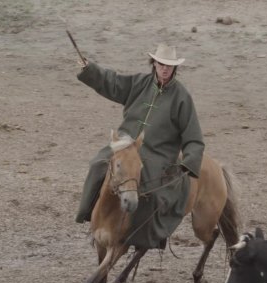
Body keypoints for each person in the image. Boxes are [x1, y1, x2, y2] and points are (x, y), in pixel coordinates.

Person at [74, 43, 204, 250]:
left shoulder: (182, 97)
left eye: (169, 66)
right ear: (154, 63)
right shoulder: (139, 83)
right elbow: (113, 82)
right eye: (161, 64)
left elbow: (194, 136)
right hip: (125, 144)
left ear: (174, 69)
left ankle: (136, 236)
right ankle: (90, 215)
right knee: (98, 164)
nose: (164, 69)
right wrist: (90, 69)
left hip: (158, 154)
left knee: (148, 190)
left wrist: (189, 162)